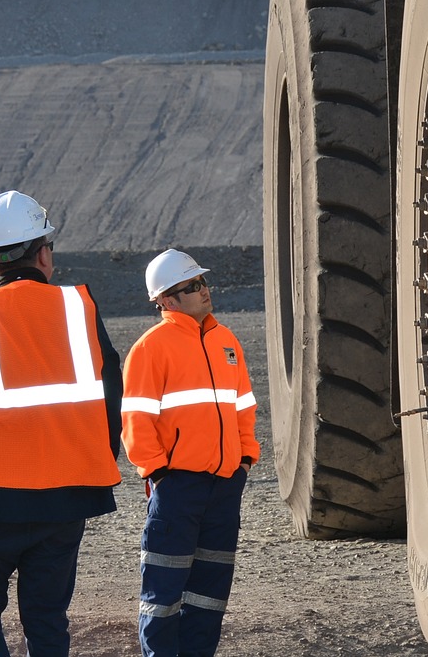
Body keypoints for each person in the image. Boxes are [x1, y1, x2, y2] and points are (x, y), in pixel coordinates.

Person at [0, 190, 123, 657]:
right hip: (68, 496)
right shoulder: (81, 309)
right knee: (47, 616)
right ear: (44, 254)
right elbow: (112, 394)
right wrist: (91, 463)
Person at [120, 248, 262, 657]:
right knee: (162, 595)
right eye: (192, 286)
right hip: (177, 490)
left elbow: (244, 406)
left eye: (203, 282)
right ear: (166, 299)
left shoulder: (226, 340)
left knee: (209, 595)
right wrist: (159, 473)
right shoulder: (151, 348)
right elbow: (136, 419)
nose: (205, 290)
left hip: (223, 488)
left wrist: (244, 460)